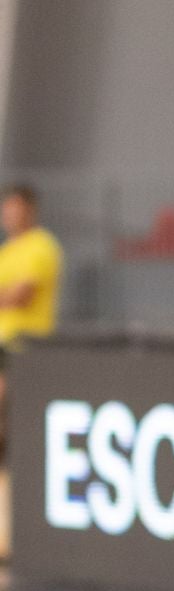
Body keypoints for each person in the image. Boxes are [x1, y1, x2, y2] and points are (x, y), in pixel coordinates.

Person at [0, 183, 62, 455]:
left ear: (30, 211)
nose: (10, 215)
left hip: (26, 345)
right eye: (8, 208)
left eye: (17, 209)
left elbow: (21, 295)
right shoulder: (7, 251)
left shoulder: (41, 246)